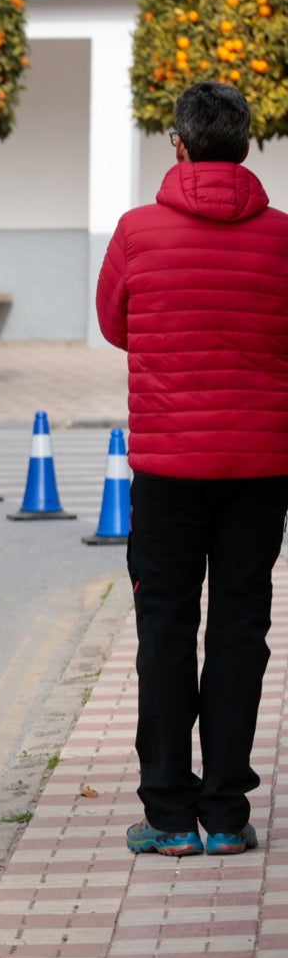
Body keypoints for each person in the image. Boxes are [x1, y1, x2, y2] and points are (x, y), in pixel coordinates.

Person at [98, 81, 288, 858]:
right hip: (260, 466)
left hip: (168, 466)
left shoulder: (138, 231)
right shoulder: (282, 236)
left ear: (177, 144)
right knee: (241, 627)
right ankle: (229, 814)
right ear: (246, 148)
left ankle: (170, 814)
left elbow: (117, 325)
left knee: (167, 626)